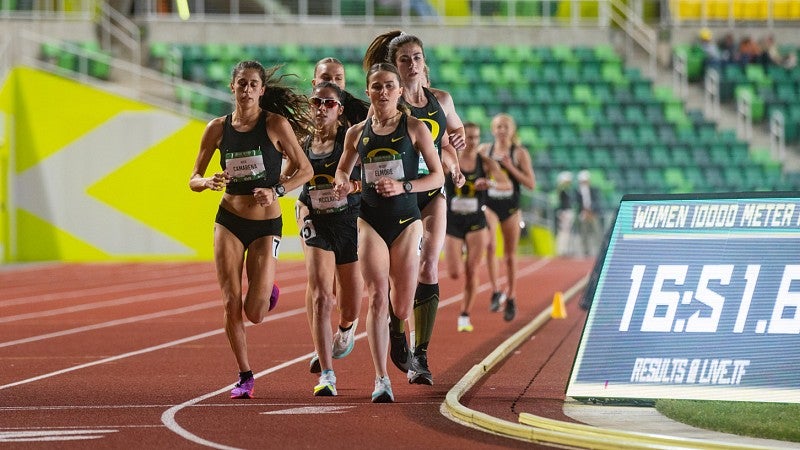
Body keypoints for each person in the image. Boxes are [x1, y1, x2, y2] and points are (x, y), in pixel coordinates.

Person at [189, 60, 313, 399]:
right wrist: (207, 181)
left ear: (261, 90)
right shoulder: (216, 128)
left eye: (253, 84)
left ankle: (267, 287)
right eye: (241, 83)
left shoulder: (275, 124)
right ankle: (245, 375)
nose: (246, 89)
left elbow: (304, 170)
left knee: (255, 312)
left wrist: (277, 191)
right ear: (232, 87)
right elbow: (192, 179)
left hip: (265, 225)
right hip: (228, 219)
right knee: (231, 301)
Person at [333, 62, 444, 402]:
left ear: (399, 91)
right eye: (376, 86)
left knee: (400, 305)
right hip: (369, 220)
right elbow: (341, 170)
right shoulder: (356, 133)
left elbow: (437, 177)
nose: (383, 92)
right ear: (368, 91)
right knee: (377, 295)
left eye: (389, 86)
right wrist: (344, 184)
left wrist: (404, 186)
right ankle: (381, 379)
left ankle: (400, 332)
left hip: (407, 222)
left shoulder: (414, 128)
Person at [363, 29, 466, 386]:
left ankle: (420, 355)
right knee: (398, 277)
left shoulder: (442, 100)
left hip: (430, 188)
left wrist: (454, 158)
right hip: (395, 196)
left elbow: (452, 137)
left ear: (425, 63)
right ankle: (395, 325)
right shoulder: (388, 103)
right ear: (395, 66)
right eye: (404, 60)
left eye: (417, 58)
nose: (411, 65)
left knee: (429, 261)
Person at [293, 82, 363, 396]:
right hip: (317, 225)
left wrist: (352, 188)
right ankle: (327, 374)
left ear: (340, 110)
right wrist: (300, 207)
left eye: (329, 103)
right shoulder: (302, 143)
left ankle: (346, 330)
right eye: (316, 102)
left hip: (349, 224)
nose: (321, 108)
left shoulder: (350, 141)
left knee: (349, 307)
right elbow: (294, 180)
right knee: (322, 296)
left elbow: (368, 180)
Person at [444, 122, 510, 332]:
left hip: (476, 222)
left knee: (471, 271)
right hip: (453, 220)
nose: (472, 142)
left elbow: (506, 184)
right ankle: (460, 248)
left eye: (475, 137)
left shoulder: (485, 162)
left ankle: (464, 314)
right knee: (454, 272)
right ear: (460, 138)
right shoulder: (450, 159)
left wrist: (489, 184)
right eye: (468, 137)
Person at [479, 113, 536, 322]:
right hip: (490, 204)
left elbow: (531, 183)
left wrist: (510, 167)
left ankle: (511, 296)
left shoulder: (519, 153)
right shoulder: (485, 150)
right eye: (498, 126)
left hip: (511, 207)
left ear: (512, 130)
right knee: (491, 245)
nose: (502, 130)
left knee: (510, 255)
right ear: (493, 129)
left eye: (505, 127)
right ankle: (495, 290)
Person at [575, 169, 603, 258]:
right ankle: (586, 251)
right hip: (583, 214)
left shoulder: (593, 190)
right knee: (584, 233)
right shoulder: (577, 191)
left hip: (593, 213)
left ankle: (600, 250)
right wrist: (584, 212)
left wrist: (591, 210)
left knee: (597, 232)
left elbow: (596, 201)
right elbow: (577, 203)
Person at [555, 171, 576, 257]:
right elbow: (561, 201)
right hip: (564, 212)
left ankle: (565, 250)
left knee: (567, 232)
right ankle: (561, 250)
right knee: (563, 232)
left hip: (568, 211)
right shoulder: (562, 190)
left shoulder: (567, 190)